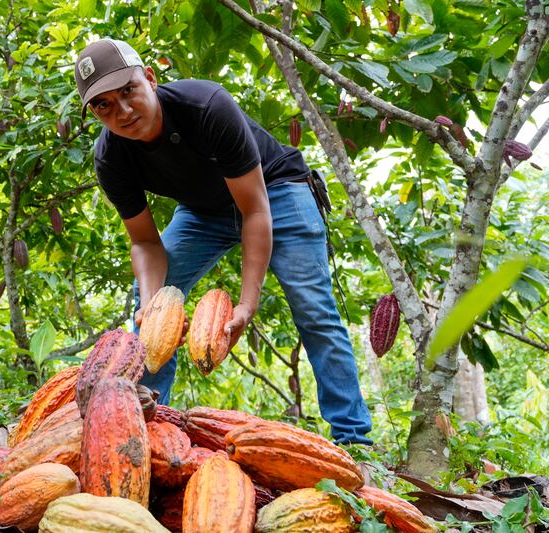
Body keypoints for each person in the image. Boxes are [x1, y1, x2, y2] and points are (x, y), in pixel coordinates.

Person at [73, 38, 372, 444]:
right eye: (103, 105)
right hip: (202, 211)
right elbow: (144, 243)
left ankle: (354, 439)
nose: (122, 111)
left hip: (275, 190)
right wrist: (152, 305)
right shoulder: (111, 157)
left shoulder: (206, 106)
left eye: (128, 91)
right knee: (150, 313)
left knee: (313, 309)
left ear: (150, 79)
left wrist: (248, 304)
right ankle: (146, 429)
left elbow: (254, 210)